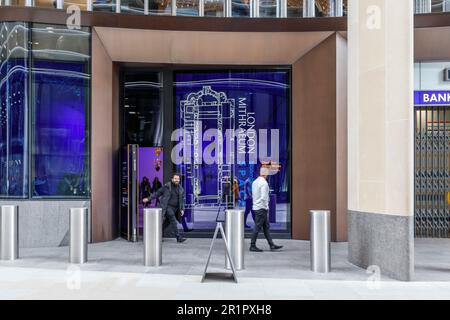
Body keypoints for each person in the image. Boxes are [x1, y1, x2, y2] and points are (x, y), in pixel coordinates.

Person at [143, 173, 187, 243]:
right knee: (173, 220)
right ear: (172, 179)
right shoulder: (167, 186)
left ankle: (156, 236)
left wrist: (182, 209)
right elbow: (157, 193)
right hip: (166, 207)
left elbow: (181, 200)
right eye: (175, 179)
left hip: (175, 209)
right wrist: (148, 199)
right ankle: (178, 237)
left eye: (178, 179)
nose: (177, 180)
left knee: (166, 224)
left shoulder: (181, 189)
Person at [250, 167, 283, 252]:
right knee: (258, 227)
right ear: (266, 174)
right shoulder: (264, 183)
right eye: (268, 174)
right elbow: (264, 197)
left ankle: (271, 245)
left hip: (256, 207)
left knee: (265, 227)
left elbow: (254, 194)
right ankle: (252, 245)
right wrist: (266, 207)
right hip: (262, 208)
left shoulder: (254, 182)